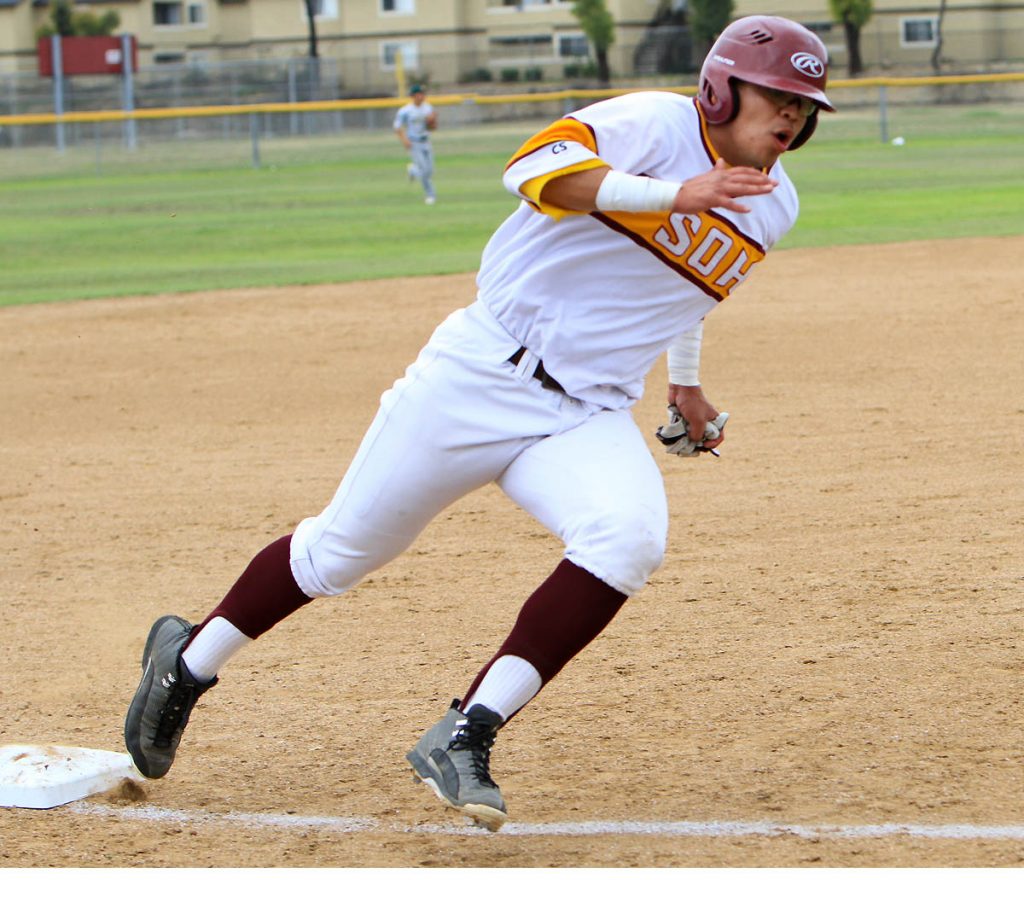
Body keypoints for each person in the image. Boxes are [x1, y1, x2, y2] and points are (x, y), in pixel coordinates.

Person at [124, 16, 833, 833]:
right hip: (480, 372)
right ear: (721, 88)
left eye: (805, 106)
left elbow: (681, 287)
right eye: (778, 96)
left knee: (627, 537)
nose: (791, 118)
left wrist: (686, 384)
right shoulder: (648, 123)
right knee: (341, 553)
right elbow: (533, 168)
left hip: (587, 410)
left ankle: (468, 732)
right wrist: (673, 193)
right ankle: (187, 663)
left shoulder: (774, 204)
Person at [394, 83, 437, 204]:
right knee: (424, 170)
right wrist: (405, 141)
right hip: (414, 142)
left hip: (426, 140)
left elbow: (432, 127)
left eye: (423, 94)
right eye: (419, 94)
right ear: (413, 96)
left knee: (430, 170)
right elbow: (397, 127)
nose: (421, 96)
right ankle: (430, 195)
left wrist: (432, 122)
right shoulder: (405, 110)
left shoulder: (428, 108)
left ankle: (412, 170)